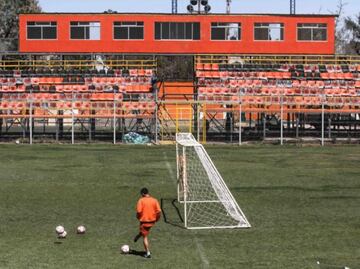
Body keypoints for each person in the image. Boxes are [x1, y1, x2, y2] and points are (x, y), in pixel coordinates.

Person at [133, 187, 161, 258]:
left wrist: (138, 217)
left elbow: (139, 211)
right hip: (152, 221)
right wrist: (157, 218)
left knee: (145, 237)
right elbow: (159, 211)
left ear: (142, 193)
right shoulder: (154, 200)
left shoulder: (141, 200)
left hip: (144, 221)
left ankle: (148, 253)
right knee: (145, 231)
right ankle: (139, 235)